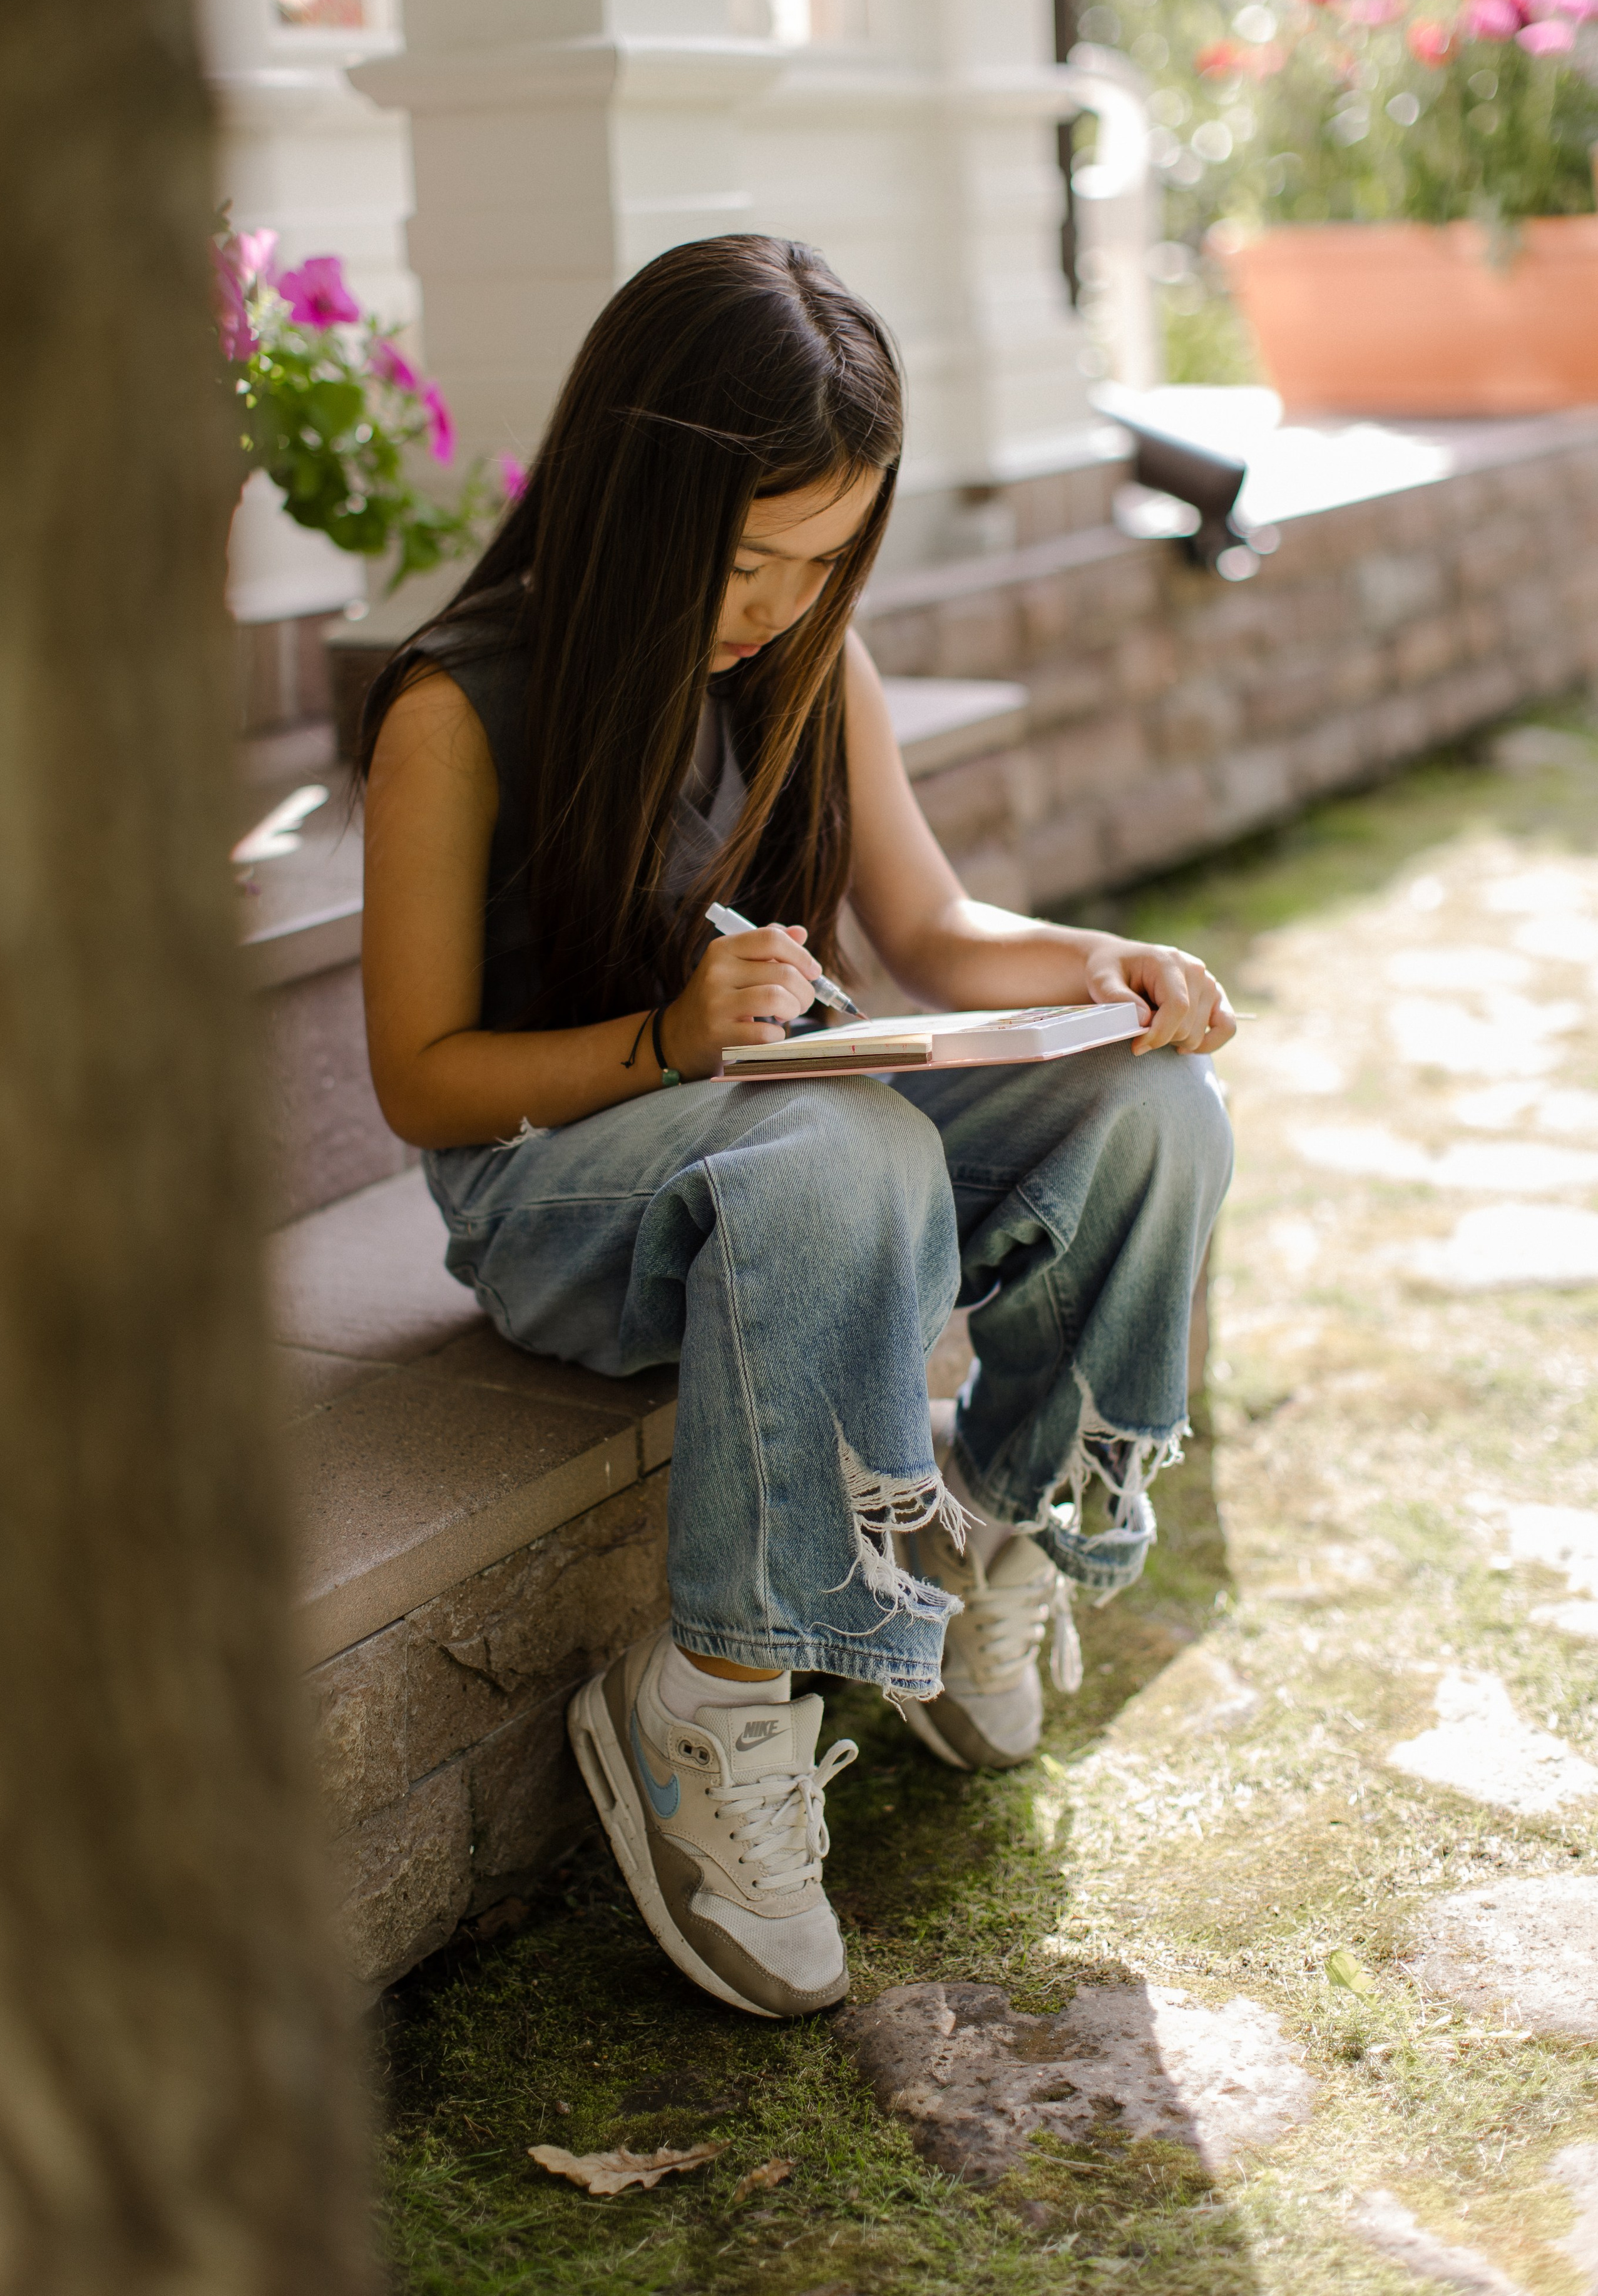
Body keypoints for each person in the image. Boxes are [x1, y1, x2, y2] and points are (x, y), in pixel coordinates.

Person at [359, 234, 1234, 2024]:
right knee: (853, 1149)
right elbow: (421, 1080)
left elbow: (935, 928)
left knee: (1156, 1105)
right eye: (745, 558)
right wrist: (668, 1040)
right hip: (560, 1202)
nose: (774, 604)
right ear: (630, 498)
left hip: (786, 1149)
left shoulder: (810, 675)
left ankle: (993, 1518)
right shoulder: (460, 711)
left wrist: (1105, 964)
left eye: (824, 561)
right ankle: (715, 1698)